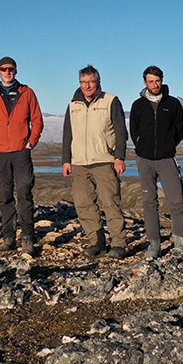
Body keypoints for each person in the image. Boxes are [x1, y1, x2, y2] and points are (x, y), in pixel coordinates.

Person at [62, 64, 130, 259]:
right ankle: (96, 242)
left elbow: (120, 132)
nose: (87, 86)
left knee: (110, 203)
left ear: (98, 82)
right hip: (79, 162)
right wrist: (66, 160)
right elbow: (68, 134)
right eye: (83, 82)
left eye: (91, 82)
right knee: (84, 204)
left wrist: (119, 157)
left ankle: (118, 243)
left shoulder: (110, 101)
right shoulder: (73, 104)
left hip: (104, 160)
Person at [0, 56, 44, 255]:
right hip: (0, 154)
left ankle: (27, 237)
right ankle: (8, 237)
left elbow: (37, 120)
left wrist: (30, 143)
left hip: (21, 153)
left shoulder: (27, 93)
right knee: (4, 195)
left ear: (16, 71)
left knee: (25, 193)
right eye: (4, 69)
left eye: (11, 69)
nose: (7, 72)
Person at [129, 65, 183, 259]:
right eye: (151, 81)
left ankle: (180, 243)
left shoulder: (173, 104)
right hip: (145, 160)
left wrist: (169, 145)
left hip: (166, 159)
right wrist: (142, 146)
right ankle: (154, 244)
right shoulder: (138, 105)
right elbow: (134, 131)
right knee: (149, 202)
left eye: (157, 81)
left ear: (162, 81)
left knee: (176, 201)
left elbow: (179, 130)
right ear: (145, 82)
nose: (155, 85)